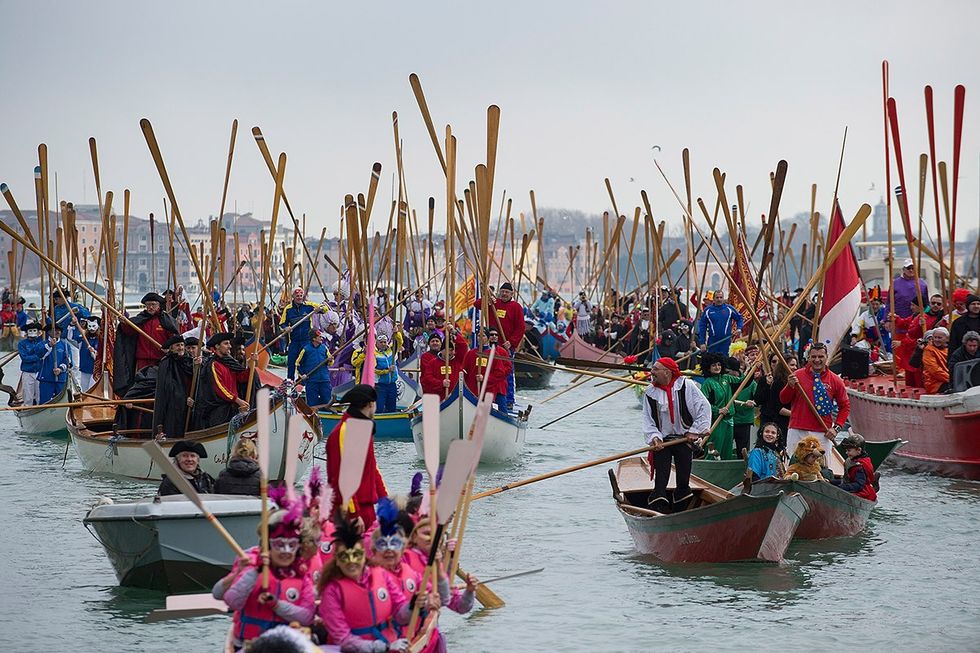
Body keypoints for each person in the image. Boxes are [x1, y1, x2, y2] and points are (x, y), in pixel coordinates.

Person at [214, 507, 316, 650]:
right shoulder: (251, 566)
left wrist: (276, 604)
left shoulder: (302, 576)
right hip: (249, 645)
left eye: (291, 546)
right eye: (280, 545)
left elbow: (307, 617)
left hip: (286, 647)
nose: (286, 552)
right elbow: (231, 601)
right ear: (269, 546)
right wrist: (255, 572)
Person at [316, 514, 413, 652]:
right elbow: (343, 639)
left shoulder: (381, 574)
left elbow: (400, 614)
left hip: (388, 642)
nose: (351, 562)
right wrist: (382, 648)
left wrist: (414, 605)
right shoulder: (331, 590)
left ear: (364, 556)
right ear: (336, 560)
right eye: (344, 556)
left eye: (356, 555)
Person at [640, 357, 711, 512]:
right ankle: (659, 500)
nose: (651, 372)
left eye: (655, 369)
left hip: (684, 437)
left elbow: (704, 407)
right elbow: (647, 419)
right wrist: (654, 437)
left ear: (667, 372)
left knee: (683, 475)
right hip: (663, 440)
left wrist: (695, 431)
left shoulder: (687, 385)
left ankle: (681, 501)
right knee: (662, 474)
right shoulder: (650, 392)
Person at [325, 384, 388, 527]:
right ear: (371, 404)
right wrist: (353, 514)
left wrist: (385, 501)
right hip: (350, 511)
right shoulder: (344, 431)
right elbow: (342, 476)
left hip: (366, 508)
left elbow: (372, 468)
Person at [779, 342, 850, 465]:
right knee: (793, 465)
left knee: (822, 467)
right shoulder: (797, 376)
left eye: (820, 357)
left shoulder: (836, 380)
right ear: (809, 358)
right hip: (797, 430)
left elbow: (845, 406)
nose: (817, 360)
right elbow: (783, 400)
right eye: (814, 357)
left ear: (827, 357)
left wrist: (836, 428)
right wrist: (789, 386)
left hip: (823, 431)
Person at [113, 292, 179, 396]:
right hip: (142, 360)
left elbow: (174, 338)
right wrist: (124, 323)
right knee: (142, 384)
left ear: (158, 305)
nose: (150, 307)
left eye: (153, 304)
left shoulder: (166, 320)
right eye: (148, 305)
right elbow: (129, 333)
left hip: (160, 360)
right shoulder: (140, 319)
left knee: (158, 385)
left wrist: (169, 349)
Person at [477, 281, 525, 409]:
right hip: (491, 343)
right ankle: (485, 396)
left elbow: (520, 328)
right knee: (487, 370)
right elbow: (476, 305)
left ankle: (509, 399)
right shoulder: (494, 303)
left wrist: (512, 342)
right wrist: (486, 299)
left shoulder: (516, 307)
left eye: (507, 292)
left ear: (511, 294)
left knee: (507, 372)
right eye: (502, 291)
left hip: (506, 345)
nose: (504, 294)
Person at [191, 333, 251, 429]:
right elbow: (219, 388)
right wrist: (237, 400)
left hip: (232, 406)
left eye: (229, 344)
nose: (230, 346)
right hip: (219, 410)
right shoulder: (213, 364)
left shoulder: (230, 362)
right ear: (217, 346)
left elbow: (241, 378)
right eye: (226, 343)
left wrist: (251, 365)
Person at [151, 335, 194, 439]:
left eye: (182, 345)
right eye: (177, 345)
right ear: (171, 348)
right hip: (172, 404)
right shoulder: (166, 363)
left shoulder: (189, 360)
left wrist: (197, 365)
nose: (181, 348)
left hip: (189, 402)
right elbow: (168, 387)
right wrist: (183, 399)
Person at [698, 353, 738, 460]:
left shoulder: (727, 378)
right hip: (716, 421)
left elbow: (742, 382)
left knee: (727, 450)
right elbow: (703, 404)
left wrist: (751, 370)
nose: (717, 367)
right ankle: (709, 471)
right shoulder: (707, 383)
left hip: (729, 420)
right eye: (714, 365)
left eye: (719, 364)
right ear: (708, 367)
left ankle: (725, 472)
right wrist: (717, 410)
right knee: (714, 449)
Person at [280, 287, 324, 379]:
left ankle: (302, 383)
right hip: (294, 341)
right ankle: (290, 383)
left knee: (304, 362)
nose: (299, 298)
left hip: (306, 340)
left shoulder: (309, 306)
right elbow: (281, 324)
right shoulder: (288, 309)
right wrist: (286, 328)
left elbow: (325, 309)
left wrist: (319, 309)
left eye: (301, 296)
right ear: (293, 297)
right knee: (291, 363)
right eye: (297, 296)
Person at [753, 353, 795, 448]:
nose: (776, 363)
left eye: (778, 361)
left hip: (786, 420)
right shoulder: (767, 379)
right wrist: (768, 385)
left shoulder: (793, 381)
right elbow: (758, 400)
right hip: (769, 417)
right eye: (773, 361)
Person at [463, 327, 512, 408]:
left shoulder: (495, 354)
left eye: (483, 336)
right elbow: (464, 370)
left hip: (490, 389)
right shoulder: (470, 353)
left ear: (488, 338)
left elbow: (500, 372)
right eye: (479, 336)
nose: (480, 338)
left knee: (501, 408)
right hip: (473, 390)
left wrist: (485, 378)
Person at [419, 331, 467, 400]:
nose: (449, 352)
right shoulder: (433, 363)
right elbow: (428, 378)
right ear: (441, 350)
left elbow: (463, 346)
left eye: (451, 350)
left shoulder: (457, 361)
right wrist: (441, 383)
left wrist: (455, 333)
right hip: (438, 399)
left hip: (455, 398)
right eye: (447, 350)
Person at [830, 433, 877, 501]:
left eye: (849, 450)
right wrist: (831, 482)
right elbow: (847, 481)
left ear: (858, 450)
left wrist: (841, 487)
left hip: (863, 492)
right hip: (855, 487)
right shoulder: (853, 462)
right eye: (846, 450)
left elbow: (858, 485)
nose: (846, 453)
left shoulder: (859, 466)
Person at [296, 330, 333, 409]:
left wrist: (330, 360)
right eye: (319, 337)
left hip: (324, 380)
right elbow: (298, 364)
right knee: (312, 404)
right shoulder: (305, 350)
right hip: (311, 381)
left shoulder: (324, 348)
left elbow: (330, 363)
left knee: (327, 402)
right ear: (314, 339)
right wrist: (302, 375)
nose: (321, 338)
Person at [37, 324, 72, 404]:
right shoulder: (42, 344)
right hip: (46, 378)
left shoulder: (65, 345)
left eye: (59, 330)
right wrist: (50, 345)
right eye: (55, 330)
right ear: (49, 332)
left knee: (62, 403)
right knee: (45, 402)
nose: (57, 332)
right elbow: (39, 355)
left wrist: (60, 369)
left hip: (61, 379)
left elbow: (69, 362)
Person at [729, 356, 757, 457]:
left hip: (744, 421)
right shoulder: (726, 381)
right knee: (727, 448)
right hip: (729, 420)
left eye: (729, 372)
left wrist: (752, 402)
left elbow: (757, 400)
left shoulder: (750, 382)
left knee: (743, 450)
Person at [17, 322, 45, 406]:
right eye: (30, 330)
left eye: (34, 330)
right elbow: (25, 358)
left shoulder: (42, 341)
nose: (32, 332)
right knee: (28, 396)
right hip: (28, 372)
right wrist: (38, 357)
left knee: (40, 396)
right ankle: (27, 408)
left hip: (40, 372)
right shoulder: (22, 344)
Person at [373, 333, 399, 414]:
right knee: (379, 408)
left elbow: (399, 341)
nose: (383, 344)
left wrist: (397, 333)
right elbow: (373, 370)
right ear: (376, 343)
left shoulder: (391, 350)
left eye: (385, 342)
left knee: (392, 408)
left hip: (392, 384)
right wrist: (387, 371)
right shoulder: (374, 354)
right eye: (381, 342)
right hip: (380, 386)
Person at [74, 317, 101, 392]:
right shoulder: (83, 338)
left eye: (94, 326)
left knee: (93, 389)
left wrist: (94, 352)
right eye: (90, 326)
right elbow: (71, 338)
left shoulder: (101, 340)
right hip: (85, 368)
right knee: (84, 389)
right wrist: (73, 325)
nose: (91, 329)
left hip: (96, 370)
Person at [921, 326, 950, 394]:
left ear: (947, 339)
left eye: (939, 338)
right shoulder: (929, 350)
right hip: (935, 383)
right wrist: (951, 379)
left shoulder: (950, 348)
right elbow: (934, 370)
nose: (937, 340)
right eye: (935, 337)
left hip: (948, 379)